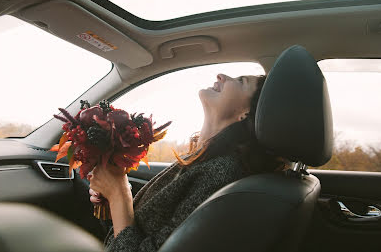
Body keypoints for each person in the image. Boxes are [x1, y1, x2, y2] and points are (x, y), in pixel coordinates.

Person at [88, 73, 286, 252]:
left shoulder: (222, 174)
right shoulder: (204, 159)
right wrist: (112, 198)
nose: (222, 75)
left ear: (247, 113)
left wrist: (119, 195)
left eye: (242, 81)